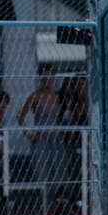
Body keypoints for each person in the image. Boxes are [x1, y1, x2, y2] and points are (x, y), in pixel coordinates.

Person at [17, 64, 62, 197]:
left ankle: (59, 205)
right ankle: (45, 206)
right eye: (45, 77)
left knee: (60, 173)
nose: (48, 80)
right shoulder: (35, 96)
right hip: (41, 139)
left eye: (50, 76)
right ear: (41, 78)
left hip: (56, 139)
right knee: (43, 174)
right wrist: (28, 134)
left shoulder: (58, 97)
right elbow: (20, 117)